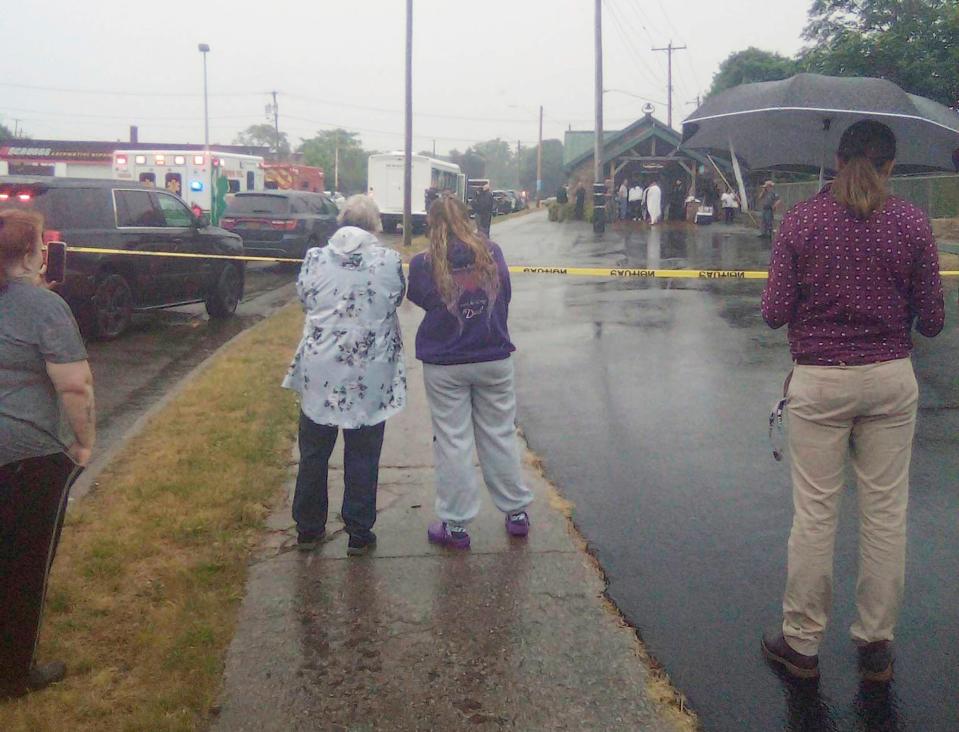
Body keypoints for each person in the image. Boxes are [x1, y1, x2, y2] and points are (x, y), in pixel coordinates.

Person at [760, 120, 945, 683]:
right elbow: (933, 322)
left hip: (821, 381)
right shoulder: (911, 222)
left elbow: (773, 311)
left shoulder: (802, 220)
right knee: (885, 515)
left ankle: (801, 644)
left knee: (816, 515)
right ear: (889, 166)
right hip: (890, 379)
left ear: (838, 161)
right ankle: (875, 647)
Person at [0, 209, 95, 697]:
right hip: (26, 456)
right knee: (23, 566)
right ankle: (14, 674)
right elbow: (74, 386)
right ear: (32, 253)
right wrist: (83, 443)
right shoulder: (43, 307)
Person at [282, 195, 406, 557]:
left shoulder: (315, 258)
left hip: (321, 371)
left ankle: (308, 528)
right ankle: (358, 530)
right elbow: (395, 299)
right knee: (363, 453)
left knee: (314, 451)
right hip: (369, 371)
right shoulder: (388, 261)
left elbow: (305, 298)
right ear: (375, 224)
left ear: (342, 221)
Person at [407, 196, 533, 550]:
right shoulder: (491, 252)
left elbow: (420, 297)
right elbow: (505, 292)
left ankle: (457, 525)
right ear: (468, 218)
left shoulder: (424, 263)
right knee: (499, 434)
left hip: (445, 360)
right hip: (493, 353)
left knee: (453, 441)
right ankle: (517, 512)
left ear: (431, 224)